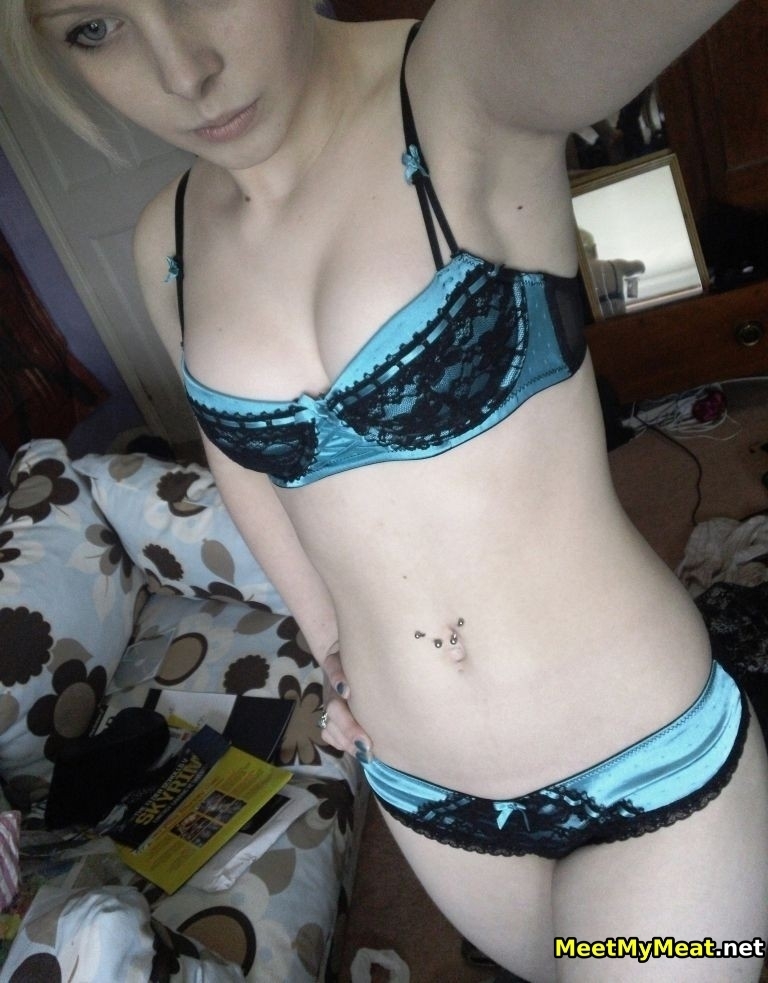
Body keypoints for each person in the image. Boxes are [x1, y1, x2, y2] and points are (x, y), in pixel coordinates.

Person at [6, 3, 768, 979]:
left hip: (648, 769)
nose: (182, 71)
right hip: (424, 797)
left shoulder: (462, 77)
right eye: (93, 27)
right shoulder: (169, 240)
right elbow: (240, 457)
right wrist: (329, 645)